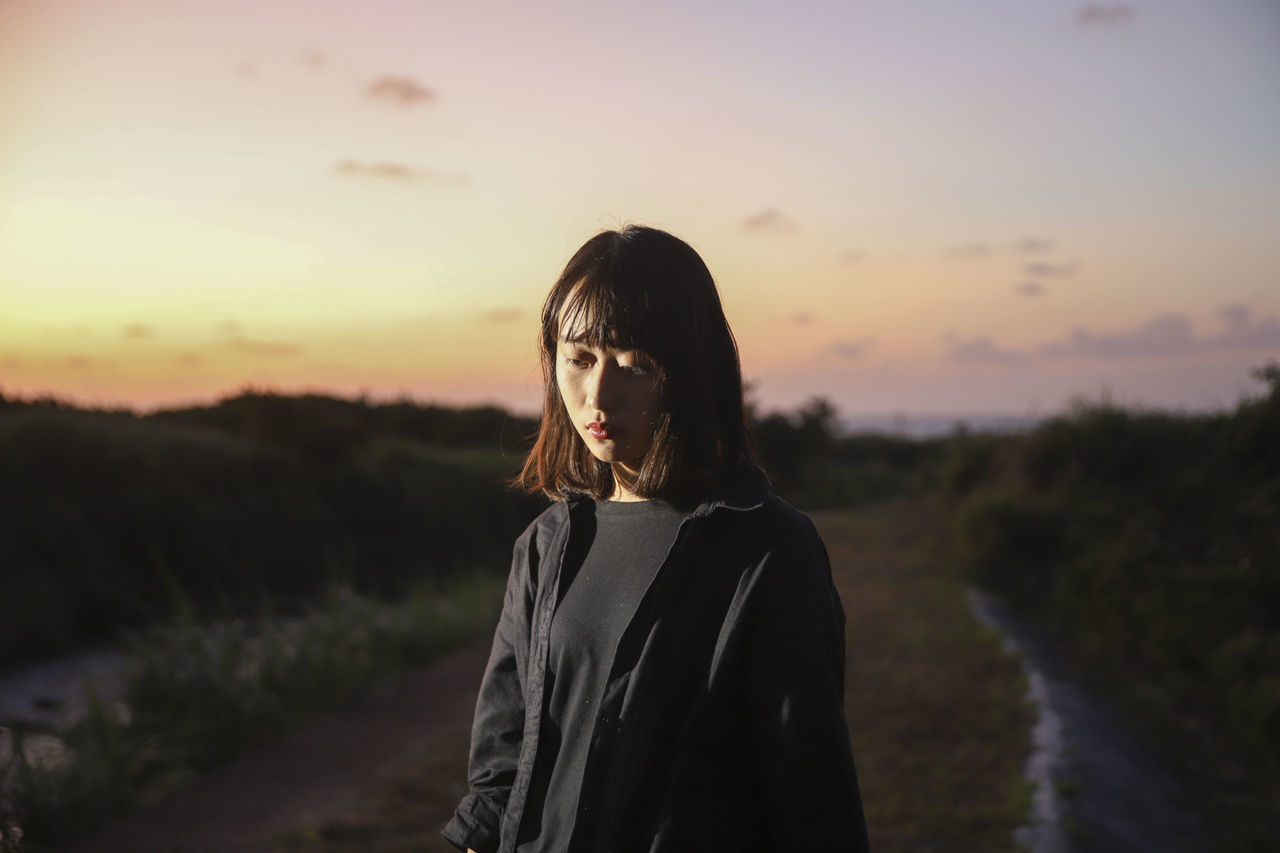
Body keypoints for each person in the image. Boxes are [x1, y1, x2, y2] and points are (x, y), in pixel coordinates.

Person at [442, 225, 869, 853]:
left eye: (635, 365)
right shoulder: (546, 544)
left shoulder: (769, 551)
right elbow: (501, 767)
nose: (599, 395)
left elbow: (810, 795)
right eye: (580, 358)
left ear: (692, 371)